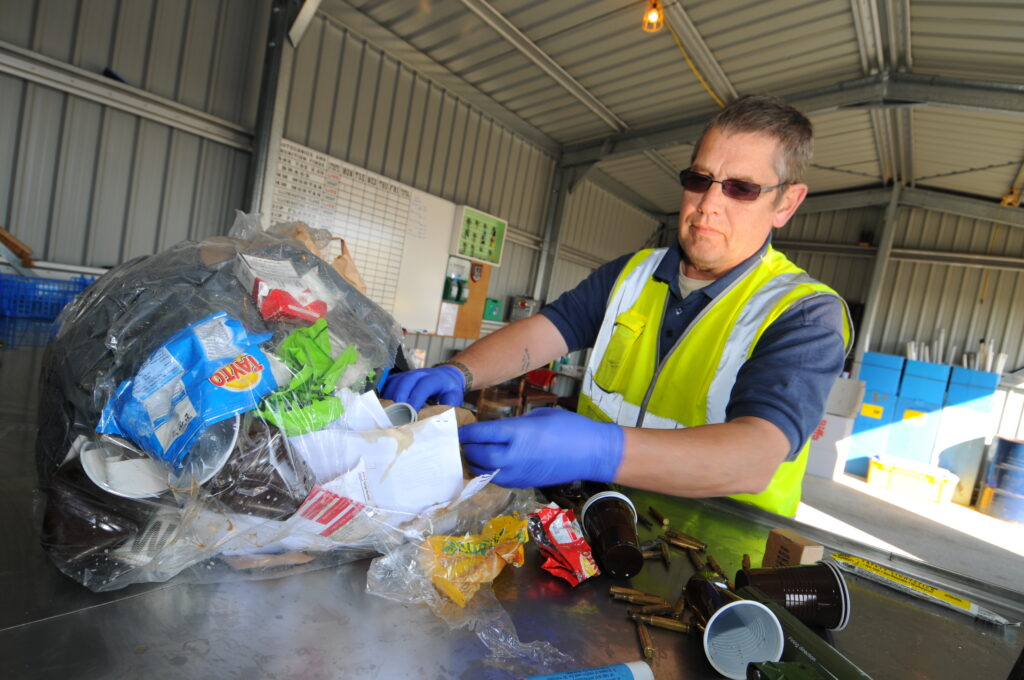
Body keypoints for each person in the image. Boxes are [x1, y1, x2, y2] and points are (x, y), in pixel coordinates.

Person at [383, 95, 852, 517]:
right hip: (594, 516)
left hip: (716, 556)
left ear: (787, 203)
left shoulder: (804, 313)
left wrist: (599, 450)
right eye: (699, 180)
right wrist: (457, 373)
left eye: (741, 188)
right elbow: (548, 329)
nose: (708, 204)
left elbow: (754, 457)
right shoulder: (632, 275)